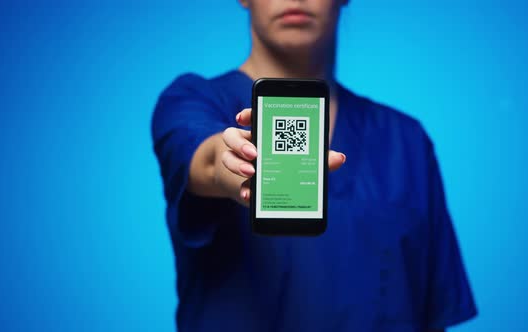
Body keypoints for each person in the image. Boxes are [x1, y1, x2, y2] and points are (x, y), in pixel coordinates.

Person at [151, 0, 477, 331]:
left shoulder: (406, 141)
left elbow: (431, 310)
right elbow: (206, 161)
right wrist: (234, 162)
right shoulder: (192, 102)